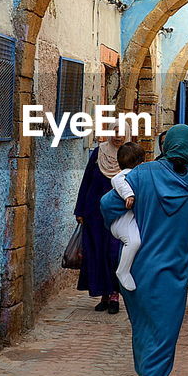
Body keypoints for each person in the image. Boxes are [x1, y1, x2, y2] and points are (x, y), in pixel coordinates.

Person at [101, 125, 188, 376]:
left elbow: (106, 203)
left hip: (137, 269)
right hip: (172, 270)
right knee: (164, 334)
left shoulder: (142, 174)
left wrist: (126, 224)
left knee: (143, 327)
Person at [74, 134, 125, 314]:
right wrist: (80, 210)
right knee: (96, 253)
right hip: (94, 213)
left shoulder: (127, 154)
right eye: (115, 131)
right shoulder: (98, 153)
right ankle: (103, 294)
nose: (118, 136)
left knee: (113, 254)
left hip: (118, 214)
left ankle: (114, 295)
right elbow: (86, 181)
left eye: (122, 132)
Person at [108, 140, 146, 292]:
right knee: (133, 242)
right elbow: (117, 181)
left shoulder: (136, 174)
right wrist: (128, 195)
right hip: (121, 221)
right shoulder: (124, 175)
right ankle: (122, 270)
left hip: (126, 220)